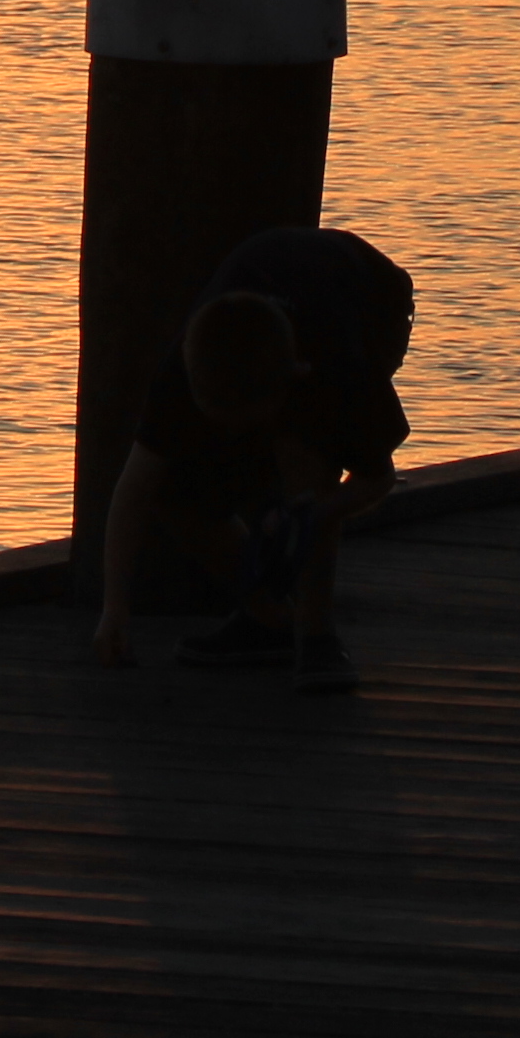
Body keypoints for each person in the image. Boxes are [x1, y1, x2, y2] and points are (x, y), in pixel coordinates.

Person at [87, 226, 414, 695]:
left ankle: (316, 635)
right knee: (172, 489)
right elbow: (134, 488)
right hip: (279, 287)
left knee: (307, 458)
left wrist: (310, 514)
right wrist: (114, 608)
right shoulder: (184, 370)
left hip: (375, 299)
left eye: (245, 423)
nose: (233, 436)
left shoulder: (333, 368)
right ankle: (271, 619)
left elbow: (377, 477)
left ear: (289, 382)